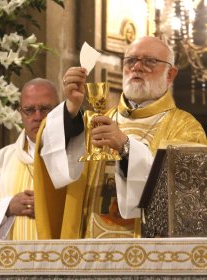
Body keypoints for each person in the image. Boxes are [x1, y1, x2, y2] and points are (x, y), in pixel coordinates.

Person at [34, 36, 207, 239]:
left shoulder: (185, 128)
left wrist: (126, 148)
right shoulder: (99, 121)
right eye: (130, 60)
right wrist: (71, 109)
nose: (137, 67)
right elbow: (55, 159)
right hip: (90, 254)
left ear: (170, 74)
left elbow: (186, 197)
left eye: (150, 61)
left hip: (150, 255)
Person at [0, 78, 60, 240]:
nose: (37, 117)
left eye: (45, 109)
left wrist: (50, 207)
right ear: (20, 113)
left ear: (58, 111)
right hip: (13, 263)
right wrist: (7, 207)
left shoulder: (74, 158)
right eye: (29, 110)